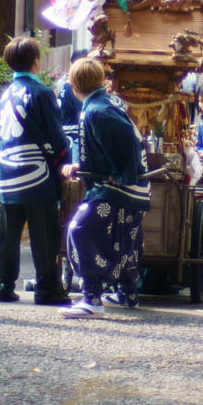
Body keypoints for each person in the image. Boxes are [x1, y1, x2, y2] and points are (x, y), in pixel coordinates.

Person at [62, 57, 148, 319]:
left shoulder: (99, 110)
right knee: (123, 240)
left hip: (119, 189)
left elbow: (127, 142)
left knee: (80, 230)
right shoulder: (105, 103)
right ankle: (126, 293)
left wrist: (122, 175)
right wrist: (81, 165)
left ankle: (92, 298)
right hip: (128, 189)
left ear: (74, 86)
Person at [0, 37, 72, 305]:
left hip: (7, 172)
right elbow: (56, 136)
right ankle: (47, 289)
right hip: (35, 172)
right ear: (36, 62)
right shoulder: (41, 93)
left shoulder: (5, 94)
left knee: (8, 233)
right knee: (44, 234)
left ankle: (2, 286)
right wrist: (67, 160)